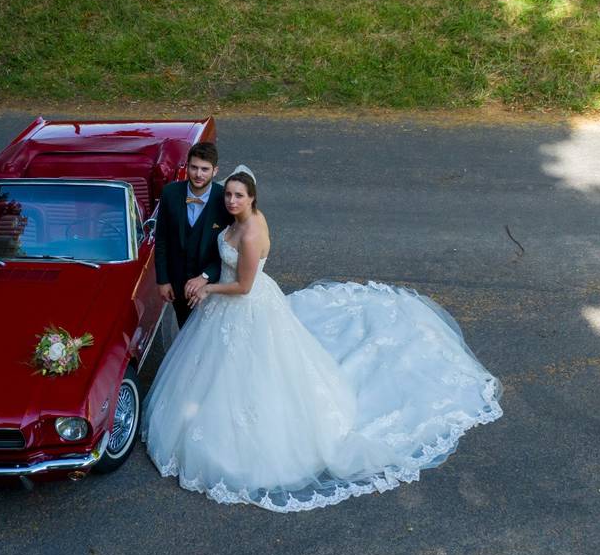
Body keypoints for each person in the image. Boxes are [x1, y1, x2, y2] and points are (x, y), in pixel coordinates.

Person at [142, 165, 502, 512]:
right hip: (226, 307)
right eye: (230, 195)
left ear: (253, 199)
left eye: (239, 196)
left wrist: (209, 288)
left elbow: (244, 286)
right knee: (213, 368)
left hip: (243, 302)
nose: (231, 201)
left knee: (255, 372)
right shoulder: (236, 221)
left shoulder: (251, 232)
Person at [153, 141, 233, 328]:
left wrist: (206, 276)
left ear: (215, 171)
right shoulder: (170, 193)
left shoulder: (225, 200)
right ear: (186, 167)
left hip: (213, 285)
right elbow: (162, 239)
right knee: (185, 333)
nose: (198, 174)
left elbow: (231, 247)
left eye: (205, 169)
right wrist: (163, 280)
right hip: (178, 284)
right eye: (194, 167)